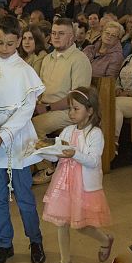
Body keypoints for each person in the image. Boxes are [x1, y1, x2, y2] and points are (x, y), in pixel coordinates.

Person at [0, 15, 46, 263]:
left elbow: (26, 111)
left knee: (25, 196)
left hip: (18, 141)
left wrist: (4, 135)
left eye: (10, 44)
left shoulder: (26, 71)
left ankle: (35, 240)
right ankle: (5, 243)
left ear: (19, 42)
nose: (3, 48)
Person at [43, 87, 113, 263]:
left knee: (81, 225)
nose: (71, 113)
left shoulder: (95, 134)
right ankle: (65, 260)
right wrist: (43, 151)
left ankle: (105, 240)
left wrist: (74, 153)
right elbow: (58, 155)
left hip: (82, 185)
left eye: (76, 109)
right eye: (70, 109)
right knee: (61, 223)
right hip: (64, 183)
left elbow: (93, 161)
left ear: (90, 111)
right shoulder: (67, 131)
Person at [32, 18, 92, 185]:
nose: (56, 37)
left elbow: (78, 96)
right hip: (47, 107)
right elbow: (40, 88)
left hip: (70, 112)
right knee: (19, 121)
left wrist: (48, 107)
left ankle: (48, 168)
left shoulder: (79, 59)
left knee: (33, 127)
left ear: (72, 37)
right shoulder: (48, 58)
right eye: (53, 33)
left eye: (61, 34)